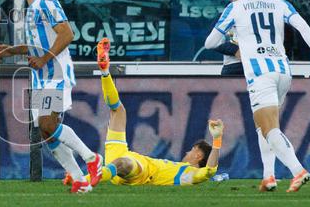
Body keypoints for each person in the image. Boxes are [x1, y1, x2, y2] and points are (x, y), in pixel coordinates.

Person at [204, 0, 310, 192]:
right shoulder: (280, 4)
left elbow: (210, 43)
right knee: (265, 125)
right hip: (283, 70)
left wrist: (237, 45)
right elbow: (302, 26)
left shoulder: (236, 7)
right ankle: (268, 176)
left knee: (269, 128)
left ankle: (298, 170)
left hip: (260, 74)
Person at [0, 0, 103, 193]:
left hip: (56, 73)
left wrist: (44, 59)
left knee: (47, 125)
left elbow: (67, 33)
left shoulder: (47, 1)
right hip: (41, 77)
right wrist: (14, 50)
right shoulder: (32, 9)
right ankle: (79, 178)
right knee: (45, 131)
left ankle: (91, 158)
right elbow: (37, 45)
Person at [89, 38, 222, 187]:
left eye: (192, 150)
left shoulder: (190, 175)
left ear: (198, 156)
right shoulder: (180, 168)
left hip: (141, 171)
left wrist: (217, 140)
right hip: (123, 152)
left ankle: (86, 179)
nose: (187, 152)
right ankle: (105, 72)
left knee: (123, 163)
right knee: (118, 111)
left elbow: (209, 171)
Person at [206, 0, 246, 76]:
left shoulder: (259, 15)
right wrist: (235, 50)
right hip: (232, 65)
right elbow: (213, 41)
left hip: (257, 65)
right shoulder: (224, 16)